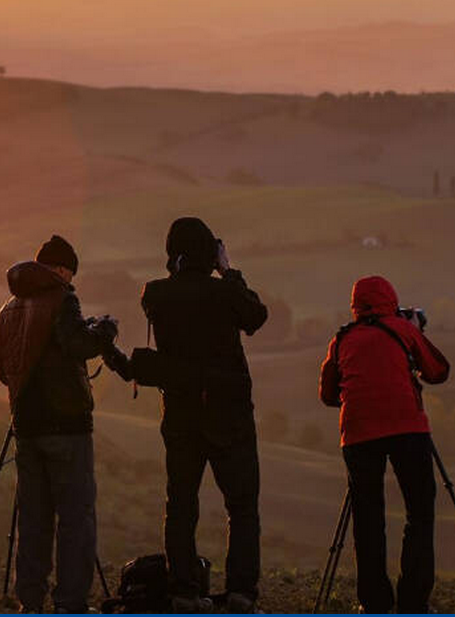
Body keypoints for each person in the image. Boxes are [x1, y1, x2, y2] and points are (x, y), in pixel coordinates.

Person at [140, 217, 267, 613]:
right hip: (229, 413)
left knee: (180, 503)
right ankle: (242, 592)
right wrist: (229, 270)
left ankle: (184, 591)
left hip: (180, 412)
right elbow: (255, 317)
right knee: (242, 505)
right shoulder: (224, 293)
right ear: (209, 252)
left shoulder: (156, 295)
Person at [0, 236, 116, 613]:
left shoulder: (9, 308)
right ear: (63, 270)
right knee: (76, 518)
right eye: (70, 273)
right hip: (67, 426)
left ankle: (30, 601)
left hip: (26, 427)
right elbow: (78, 344)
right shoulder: (64, 299)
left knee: (33, 518)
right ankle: (69, 603)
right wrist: (105, 330)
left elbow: (2, 371)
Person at [319, 276, 450, 614]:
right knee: (419, 512)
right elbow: (437, 371)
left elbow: (328, 394)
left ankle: (374, 602)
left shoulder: (342, 339)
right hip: (408, 428)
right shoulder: (402, 330)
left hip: (359, 434)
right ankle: (413, 601)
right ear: (391, 300)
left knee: (368, 518)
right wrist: (415, 331)